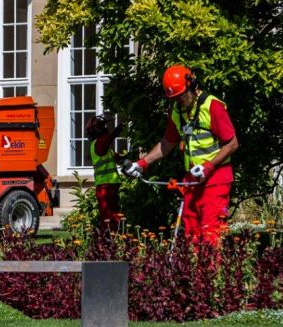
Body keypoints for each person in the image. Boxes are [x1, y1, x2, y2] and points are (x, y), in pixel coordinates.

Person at [124, 65, 239, 244]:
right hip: (192, 180)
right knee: (190, 234)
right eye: (174, 98)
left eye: (181, 96)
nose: (179, 101)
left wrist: (209, 166)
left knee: (210, 234)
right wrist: (142, 164)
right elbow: (167, 143)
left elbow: (232, 144)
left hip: (216, 179)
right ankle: (192, 271)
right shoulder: (177, 111)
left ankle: (211, 272)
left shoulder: (213, 106)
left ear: (192, 85)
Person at [87, 114, 123, 234]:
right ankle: (107, 241)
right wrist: (119, 128)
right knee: (109, 218)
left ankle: (112, 238)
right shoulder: (99, 144)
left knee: (110, 216)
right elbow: (109, 138)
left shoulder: (104, 147)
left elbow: (117, 158)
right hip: (105, 186)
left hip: (110, 185)